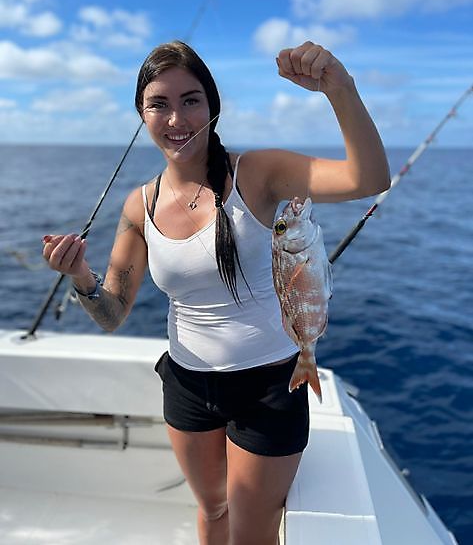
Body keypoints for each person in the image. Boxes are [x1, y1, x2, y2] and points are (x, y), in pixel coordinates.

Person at [42, 40, 390, 545]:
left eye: (191, 100)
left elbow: (368, 178)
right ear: (141, 114)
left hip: (270, 386)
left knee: (252, 534)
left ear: (212, 106)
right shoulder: (139, 205)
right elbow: (112, 312)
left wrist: (340, 88)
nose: (176, 118)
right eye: (159, 103)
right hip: (187, 387)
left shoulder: (259, 173)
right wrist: (80, 278)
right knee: (212, 508)